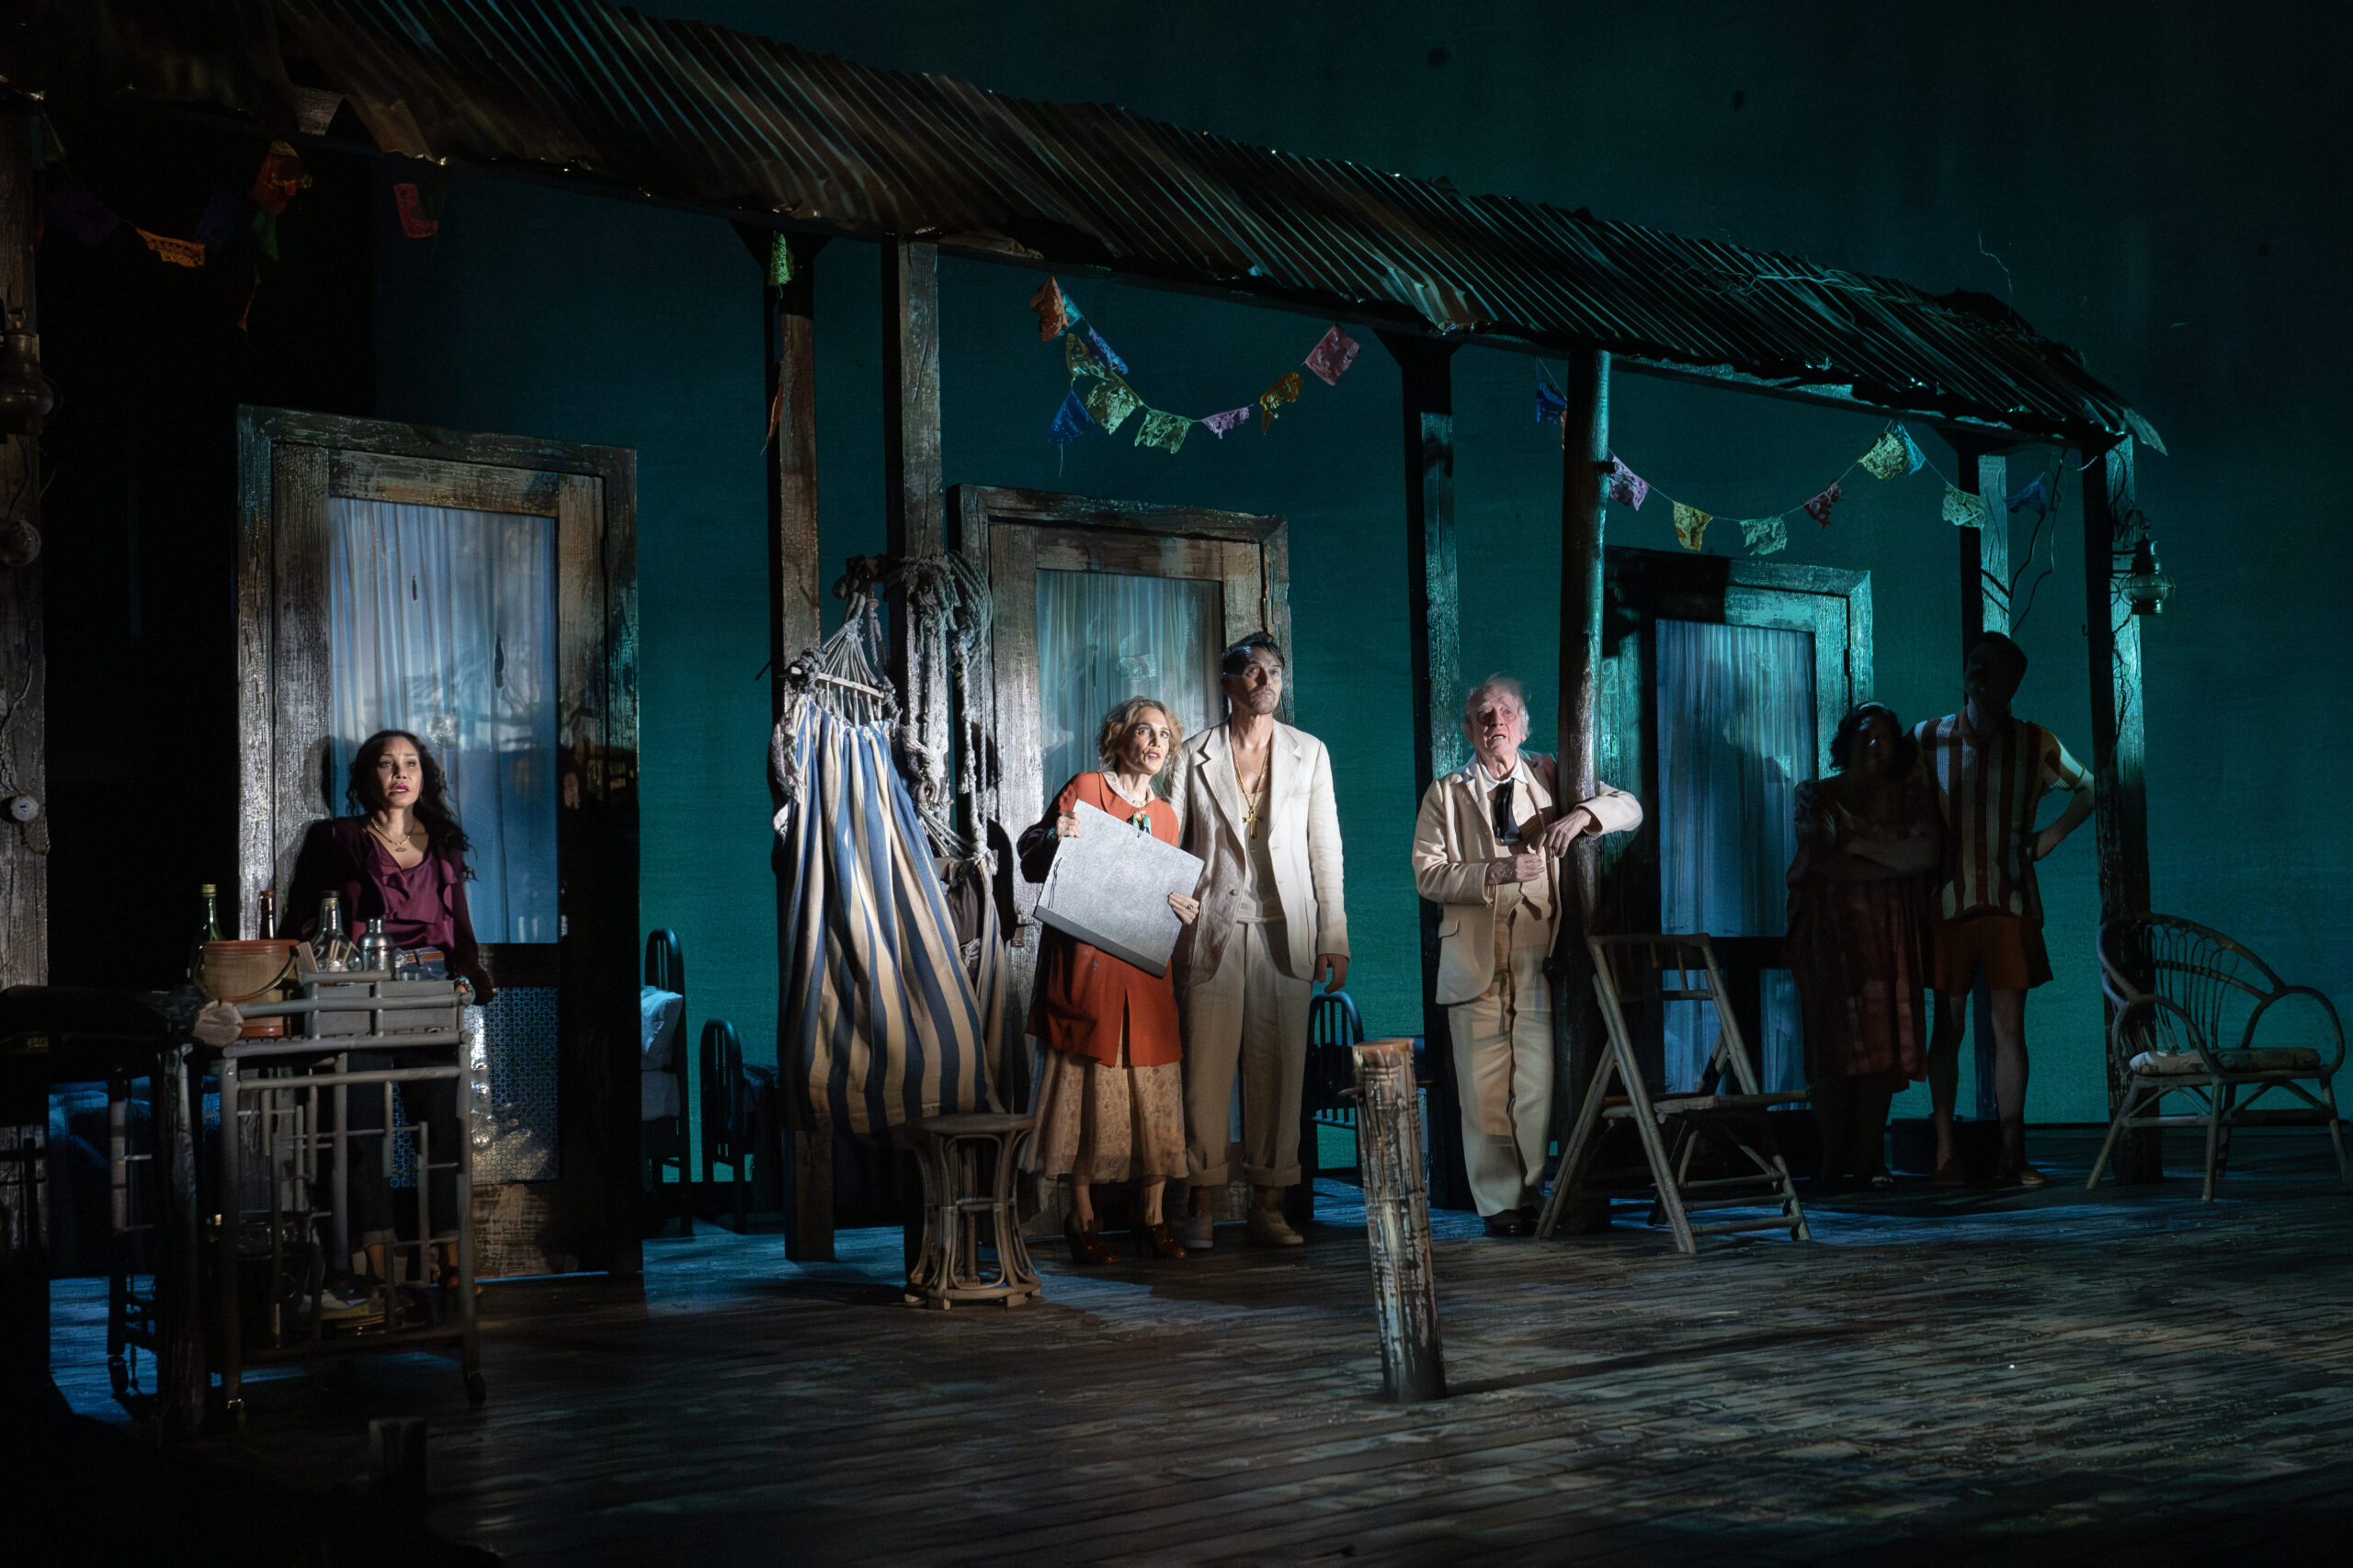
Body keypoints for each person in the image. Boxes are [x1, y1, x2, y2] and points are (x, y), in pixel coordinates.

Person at [1410, 676, 1643, 1237]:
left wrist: (1583, 816)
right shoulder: (1446, 792)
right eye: (1484, 715)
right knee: (1484, 1085)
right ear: (1468, 728)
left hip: (1539, 952)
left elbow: (1629, 808)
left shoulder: (1550, 775)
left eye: (1506, 712)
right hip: (1474, 953)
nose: (1496, 723)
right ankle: (1499, 1204)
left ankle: (1536, 1189)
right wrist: (1495, 871)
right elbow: (1428, 873)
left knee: (1537, 1081)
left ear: (1524, 725)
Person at [284, 729, 494, 1299]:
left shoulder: (444, 840)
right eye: (386, 763)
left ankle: (453, 1259)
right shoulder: (339, 838)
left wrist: (472, 974)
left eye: (410, 763)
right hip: (359, 993)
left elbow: (460, 924)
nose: (399, 773)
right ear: (365, 777)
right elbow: (303, 920)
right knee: (359, 1129)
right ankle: (373, 1268)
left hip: (430, 992)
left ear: (424, 776)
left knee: (445, 1129)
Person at [1173, 632, 1347, 1250]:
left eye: (1274, 671)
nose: (1265, 681)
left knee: (1279, 1073)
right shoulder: (1193, 754)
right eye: (1251, 672)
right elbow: (1169, 846)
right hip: (1211, 930)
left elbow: (1326, 848)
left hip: (1286, 931)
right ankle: (1201, 1202)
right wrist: (1163, 922)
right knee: (1205, 1075)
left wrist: (1335, 936)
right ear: (1227, 684)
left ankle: (1268, 1204)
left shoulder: (1310, 752)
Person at [1017, 698, 1202, 1265]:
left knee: (1153, 1097)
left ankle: (1152, 1218)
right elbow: (1030, 860)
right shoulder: (1087, 788)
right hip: (1090, 968)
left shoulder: (1168, 816)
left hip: (1144, 978)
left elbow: (1164, 890)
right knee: (1086, 1093)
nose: (1154, 743)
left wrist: (1183, 908)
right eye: (1143, 732)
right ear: (1118, 736)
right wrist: (1054, 835)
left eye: (1164, 737)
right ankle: (1083, 1219)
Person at [1914, 632, 2094, 1187]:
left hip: (2010, 900)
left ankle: (2012, 1153)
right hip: (1948, 903)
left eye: (1991, 669)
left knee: (2008, 1030)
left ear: (2013, 682)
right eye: (1974, 664)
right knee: (1947, 1029)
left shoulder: (2032, 741)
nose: (1979, 675)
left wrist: (2050, 838)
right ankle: (1946, 1150)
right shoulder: (1928, 737)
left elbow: (2087, 785)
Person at [1784, 703, 1941, 1188]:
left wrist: (1859, 846)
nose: (1875, 745)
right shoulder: (1819, 794)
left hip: (1890, 930)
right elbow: (1822, 859)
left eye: (1885, 736)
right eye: (1864, 735)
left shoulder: (1910, 798)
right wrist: (1882, 860)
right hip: (1832, 931)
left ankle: (1870, 1155)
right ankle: (1833, 1160)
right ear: (1846, 742)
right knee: (1832, 1046)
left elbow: (1925, 854)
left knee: (1885, 1045)